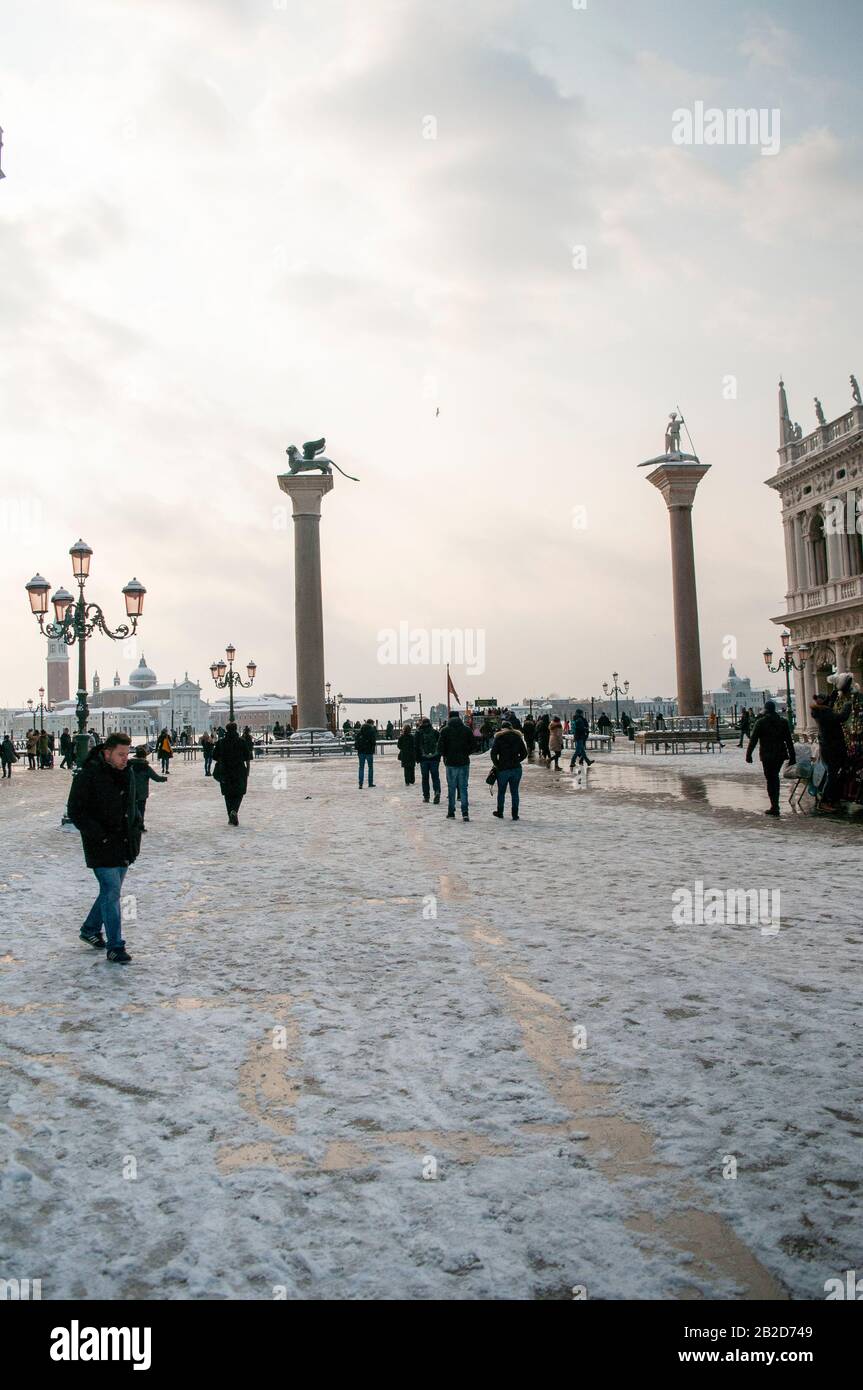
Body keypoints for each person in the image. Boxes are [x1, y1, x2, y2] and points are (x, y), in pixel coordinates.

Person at [67, 731, 142, 964]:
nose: (124, 759)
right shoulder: (89, 775)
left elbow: (133, 805)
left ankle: (90, 929)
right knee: (112, 893)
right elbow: (76, 811)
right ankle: (115, 947)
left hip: (124, 843)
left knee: (110, 892)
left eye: (127, 754)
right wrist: (99, 835)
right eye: (120, 754)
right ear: (107, 753)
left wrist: (136, 828)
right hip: (101, 844)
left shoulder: (127, 772)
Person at [746, 700, 795, 816]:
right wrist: (792, 756)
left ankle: (774, 806)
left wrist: (748, 755)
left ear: (766, 710)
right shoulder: (783, 722)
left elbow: (753, 740)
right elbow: (789, 741)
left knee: (770, 779)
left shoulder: (760, 722)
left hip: (767, 755)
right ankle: (775, 805)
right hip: (780, 755)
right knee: (774, 777)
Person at [810, 694, 851, 812]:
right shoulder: (825, 713)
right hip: (832, 749)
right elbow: (842, 717)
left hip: (829, 748)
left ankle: (833, 800)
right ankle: (824, 801)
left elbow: (831, 711)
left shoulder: (821, 712)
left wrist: (832, 699)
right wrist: (847, 705)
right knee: (832, 775)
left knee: (835, 774)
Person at [437, 710, 474, 821]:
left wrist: (447, 755)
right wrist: (465, 753)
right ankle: (465, 813)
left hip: (451, 763)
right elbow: (473, 745)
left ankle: (451, 812)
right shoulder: (466, 730)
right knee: (463, 788)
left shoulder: (445, 731)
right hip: (463, 762)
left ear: (449, 718)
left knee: (451, 788)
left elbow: (439, 748)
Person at [212, 721, 249, 825]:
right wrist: (247, 771)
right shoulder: (241, 742)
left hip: (225, 771)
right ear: (236, 729)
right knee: (239, 793)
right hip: (239, 771)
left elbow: (214, 756)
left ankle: (230, 815)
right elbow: (247, 757)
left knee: (228, 795)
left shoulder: (221, 742)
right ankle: (234, 811)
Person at [490, 719, 527, 820]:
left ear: (502, 728)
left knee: (501, 792)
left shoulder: (499, 738)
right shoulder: (518, 737)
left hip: (503, 769)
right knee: (514, 792)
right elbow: (524, 753)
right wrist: (517, 760)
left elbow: (493, 754)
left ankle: (500, 812)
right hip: (516, 768)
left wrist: (497, 764)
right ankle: (515, 814)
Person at [130, 746, 167, 830]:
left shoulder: (130, 765)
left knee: (132, 809)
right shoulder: (146, 767)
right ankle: (140, 825)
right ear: (144, 756)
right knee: (141, 809)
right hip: (142, 793)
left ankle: (132, 825)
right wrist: (163, 779)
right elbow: (156, 778)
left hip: (131, 792)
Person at [413, 717, 442, 803]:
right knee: (435, 777)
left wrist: (417, 758)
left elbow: (415, 746)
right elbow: (440, 744)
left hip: (423, 759)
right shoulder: (435, 732)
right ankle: (437, 792)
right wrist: (438, 756)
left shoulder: (419, 733)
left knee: (425, 778)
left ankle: (426, 796)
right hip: (434, 759)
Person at [355, 718, 377, 788]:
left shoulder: (360, 732)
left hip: (361, 752)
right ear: (371, 724)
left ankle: (360, 784)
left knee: (361, 767)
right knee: (370, 767)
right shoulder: (371, 731)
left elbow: (356, 742)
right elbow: (373, 741)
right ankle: (370, 783)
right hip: (369, 752)